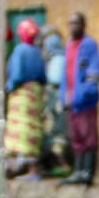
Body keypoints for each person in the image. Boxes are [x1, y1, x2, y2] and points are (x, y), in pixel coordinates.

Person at [59, 11, 99, 186]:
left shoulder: (90, 45)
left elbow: (94, 72)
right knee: (75, 136)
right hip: (71, 100)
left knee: (89, 136)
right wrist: (64, 96)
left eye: (76, 23)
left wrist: (83, 93)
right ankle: (77, 171)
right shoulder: (69, 45)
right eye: (70, 24)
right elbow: (65, 73)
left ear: (83, 26)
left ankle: (88, 173)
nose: (73, 27)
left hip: (85, 101)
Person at [3, 17, 47, 179]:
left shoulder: (20, 50)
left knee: (20, 130)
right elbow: (43, 76)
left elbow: (17, 74)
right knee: (32, 129)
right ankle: (32, 168)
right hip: (35, 94)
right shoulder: (37, 51)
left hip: (22, 95)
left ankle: (27, 170)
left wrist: (10, 87)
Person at [40, 26, 69, 175]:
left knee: (56, 131)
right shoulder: (61, 58)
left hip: (56, 99)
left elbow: (53, 80)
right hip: (57, 99)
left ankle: (62, 165)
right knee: (56, 131)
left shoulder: (57, 60)